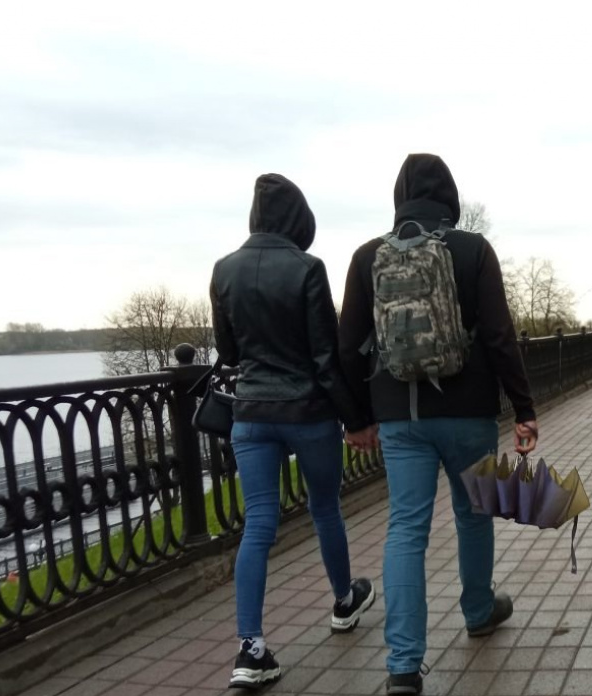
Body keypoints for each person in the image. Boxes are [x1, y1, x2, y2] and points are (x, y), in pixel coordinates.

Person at [339, 154, 536, 696]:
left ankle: (404, 667)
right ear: (449, 194)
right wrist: (524, 407)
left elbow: (347, 346)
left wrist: (356, 418)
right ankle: (479, 610)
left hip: (399, 418)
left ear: (399, 196)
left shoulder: (367, 257)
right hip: (469, 412)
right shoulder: (473, 249)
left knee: (406, 529)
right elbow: (499, 335)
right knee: (474, 515)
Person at [210, 174, 376, 690]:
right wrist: (356, 418)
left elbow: (229, 352)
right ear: (298, 218)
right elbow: (326, 357)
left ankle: (251, 650)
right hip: (308, 413)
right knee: (325, 508)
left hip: (250, 414)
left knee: (258, 524)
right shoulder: (308, 268)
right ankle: (344, 602)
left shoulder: (224, 269)